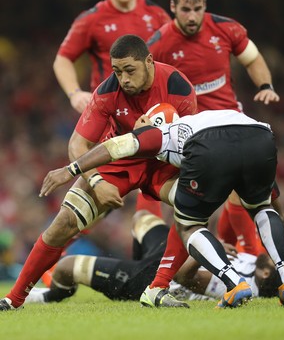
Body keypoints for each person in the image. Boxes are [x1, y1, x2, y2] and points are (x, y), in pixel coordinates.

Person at [0, 35, 197, 311]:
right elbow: (77, 144)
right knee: (64, 221)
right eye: (117, 71)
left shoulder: (178, 87)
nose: (123, 79)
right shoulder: (107, 91)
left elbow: (188, 145)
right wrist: (96, 180)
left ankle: (168, 286)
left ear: (149, 61)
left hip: (163, 162)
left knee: (193, 207)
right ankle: (13, 299)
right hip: (118, 161)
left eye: (130, 70)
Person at [37, 108, 284, 308]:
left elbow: (114, 147)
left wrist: (70, 170)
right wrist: (273, 216)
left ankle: (233, 283)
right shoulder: (202, 119)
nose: (139, 124)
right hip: (260, 136)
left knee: (188, 225)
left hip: (168, 269)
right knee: (143, 219)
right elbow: (273, 200)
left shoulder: (158, 134)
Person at [147, 0, 282, 259]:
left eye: (197, 9)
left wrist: (266, 86)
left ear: (204, 5)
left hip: (233, 121)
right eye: (185, 10)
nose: (192, 16)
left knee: (267, 195)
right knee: (200, 204)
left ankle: (255, 257)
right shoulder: (159, 44)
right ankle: (245, 260)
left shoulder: (226, 28)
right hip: (192, 134)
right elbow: (144, 83)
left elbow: (253, 58)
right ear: (173, 7)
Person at [53, 0, 171, 231]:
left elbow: (171, 58)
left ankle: (153, 264)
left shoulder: (157, 15)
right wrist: (74, 93)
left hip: (149, 113)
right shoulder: (91, 19)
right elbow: (62, 58)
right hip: (107, 117)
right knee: (90, 201)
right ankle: (58, 258)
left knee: (153, 183)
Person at [24, 211, 284, 305]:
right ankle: (132, 271)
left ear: (267, 274)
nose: (280, 259)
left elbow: (184, 275)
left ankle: (49, 297)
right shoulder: (266, 269)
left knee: (65, 267)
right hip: (162, 257)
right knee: (140, 218)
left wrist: (211, 247)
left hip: (164, 276)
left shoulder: (241, 283)